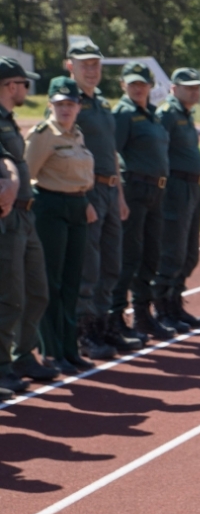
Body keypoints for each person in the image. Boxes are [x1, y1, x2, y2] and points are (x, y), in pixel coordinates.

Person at [68, 40, 134, 361]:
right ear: (71, 66)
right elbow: (66, 153)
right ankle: (85, 331)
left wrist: (119, 195)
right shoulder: (71, 103)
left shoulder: (103, 104)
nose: (92, 70)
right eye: (85, 64)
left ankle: (106, 324)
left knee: (111, 263)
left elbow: (111, 152)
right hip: (89, 190)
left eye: (96, 64)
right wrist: (83, 196)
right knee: (89, 266)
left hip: (110, 189)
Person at [27, 77, 97, 375]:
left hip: (78, 207)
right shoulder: (43, 134)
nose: (65, 109)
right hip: (50, 208)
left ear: (79, 107)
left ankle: (69, 349)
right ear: (50, 105)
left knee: (72, 282)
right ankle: (52, 351)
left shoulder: (77, 135)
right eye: (59, 104)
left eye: (70, 104)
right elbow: (26, 173)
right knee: (51, 282)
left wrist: (86, 201)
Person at [0, 57, 51, 397]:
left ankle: (23, 354)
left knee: (36, 291)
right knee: (10, 295)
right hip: (9, 217)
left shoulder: (8, 119)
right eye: (24, 84)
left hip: (25, 215)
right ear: (9, 86)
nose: (27, 90)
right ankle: (3, 365)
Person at [112, 61, 172, 342]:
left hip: (155, 193)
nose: (138, 88)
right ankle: (114, 318)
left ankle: (142, 315)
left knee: (151, 255)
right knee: (129, 256)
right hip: (134, 190)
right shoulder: (123, 113)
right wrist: (120, 197)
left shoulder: (152, 115)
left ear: (150, 87)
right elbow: (112, 154)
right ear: (123, 85)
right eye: (132, 83)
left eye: (142, 83)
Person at [153, 68, 200, 333]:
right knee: (172, 251)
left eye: (197, 87)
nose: (195, 91)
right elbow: (158, 152)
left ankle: (175, 304)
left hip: (192, 188)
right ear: (174, 89)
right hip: (175, 188)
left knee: (189, 253)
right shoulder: (166, 114)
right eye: (189, 87)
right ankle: (163, 309)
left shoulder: (185, 114)